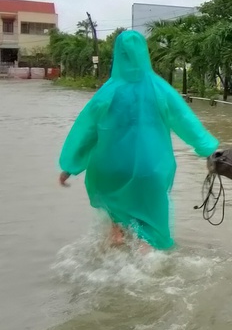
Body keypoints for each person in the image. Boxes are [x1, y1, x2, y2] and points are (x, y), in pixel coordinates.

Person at [57, 30, 219, 251]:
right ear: (144, 53)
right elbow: (185, 121)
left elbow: (87, 131)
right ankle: (147, 260)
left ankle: (115, 248)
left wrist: (70, 166)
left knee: (116, 225)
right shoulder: (160, 89)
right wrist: (207, 148)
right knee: (150, 233)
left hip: (111, 169)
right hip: (150, 169)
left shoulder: (107, 92)